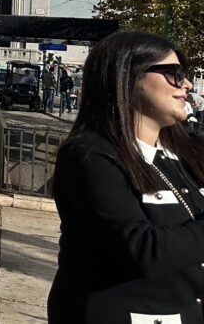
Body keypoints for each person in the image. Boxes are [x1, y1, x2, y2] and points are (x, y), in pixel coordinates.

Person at [47, 31, 204, 323]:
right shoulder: (89, 156)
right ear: (129, 77)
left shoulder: (184, 155)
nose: (186, 84)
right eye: (174, 73)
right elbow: (144, 250)